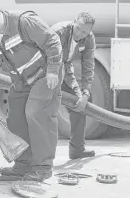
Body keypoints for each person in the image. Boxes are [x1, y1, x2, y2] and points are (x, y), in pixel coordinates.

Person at [0, 0, 63, 182]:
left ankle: (43, 168)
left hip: (45, 76)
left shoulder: (24, 22)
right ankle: (23, 165)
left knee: (36, 113)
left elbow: (53, 41)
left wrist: (52, 70)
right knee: (15, 119)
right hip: (21, 82)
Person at [51, 11, 96, 160]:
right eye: (78, 28)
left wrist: (85, 93)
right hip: (46, 71)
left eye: (84, 32)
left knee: (80, 104)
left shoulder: (89, 38)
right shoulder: (59, 31)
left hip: (65, 71)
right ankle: (37, 155)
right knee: (42, 111)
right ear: (74, 21)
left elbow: (88, 66)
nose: (79, 34)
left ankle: (77, 150)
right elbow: (44, 57)